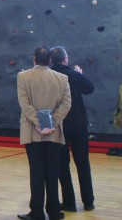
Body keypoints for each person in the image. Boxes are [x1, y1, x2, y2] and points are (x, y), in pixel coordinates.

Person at [17, 47, 71, 220]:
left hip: (33, 133)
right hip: (54, 133)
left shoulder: (23, 76)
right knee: (52, 173)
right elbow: (66, 104)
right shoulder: (62, 78)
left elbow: (24, 104)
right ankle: (54, 211)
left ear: (34, 59)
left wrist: (39, 123)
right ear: (49, 60)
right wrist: (51, 123)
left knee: (37, 172)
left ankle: (37, 212)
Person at [50, 46, 95, 212]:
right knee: (83, 164)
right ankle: (88, 202)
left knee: (63, 166)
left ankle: (69, 203)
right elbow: (89, 88)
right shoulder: (74, 75)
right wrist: (81, 74)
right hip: (78, 126)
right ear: (65, 59)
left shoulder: (50, 76)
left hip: (59, 125)